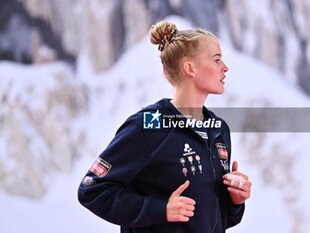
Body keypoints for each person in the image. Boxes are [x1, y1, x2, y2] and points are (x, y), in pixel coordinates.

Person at [78, 20, 252, 233]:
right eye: (217, 60)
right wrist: (160, 210)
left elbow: (213, 220)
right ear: (190, 68)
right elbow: (92, 190)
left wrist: (235, 200)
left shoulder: (218, 130)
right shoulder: (147, 126)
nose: (225, 68)